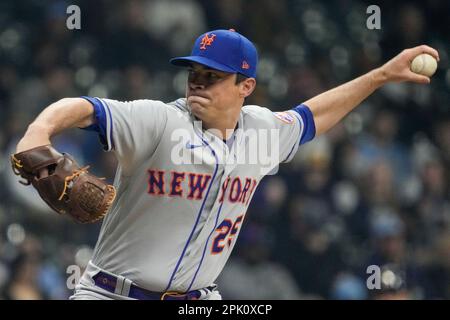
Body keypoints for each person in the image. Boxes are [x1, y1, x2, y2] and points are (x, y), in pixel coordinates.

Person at [14, 29, 439, 300]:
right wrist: (38, 132)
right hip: (112, 294)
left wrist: (380, 76)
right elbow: (82, 107)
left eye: (213, 75)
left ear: (246, 86)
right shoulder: (159, 120)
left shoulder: (261, 131)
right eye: (194, 71)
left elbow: (314, 117)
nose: (198, 80)